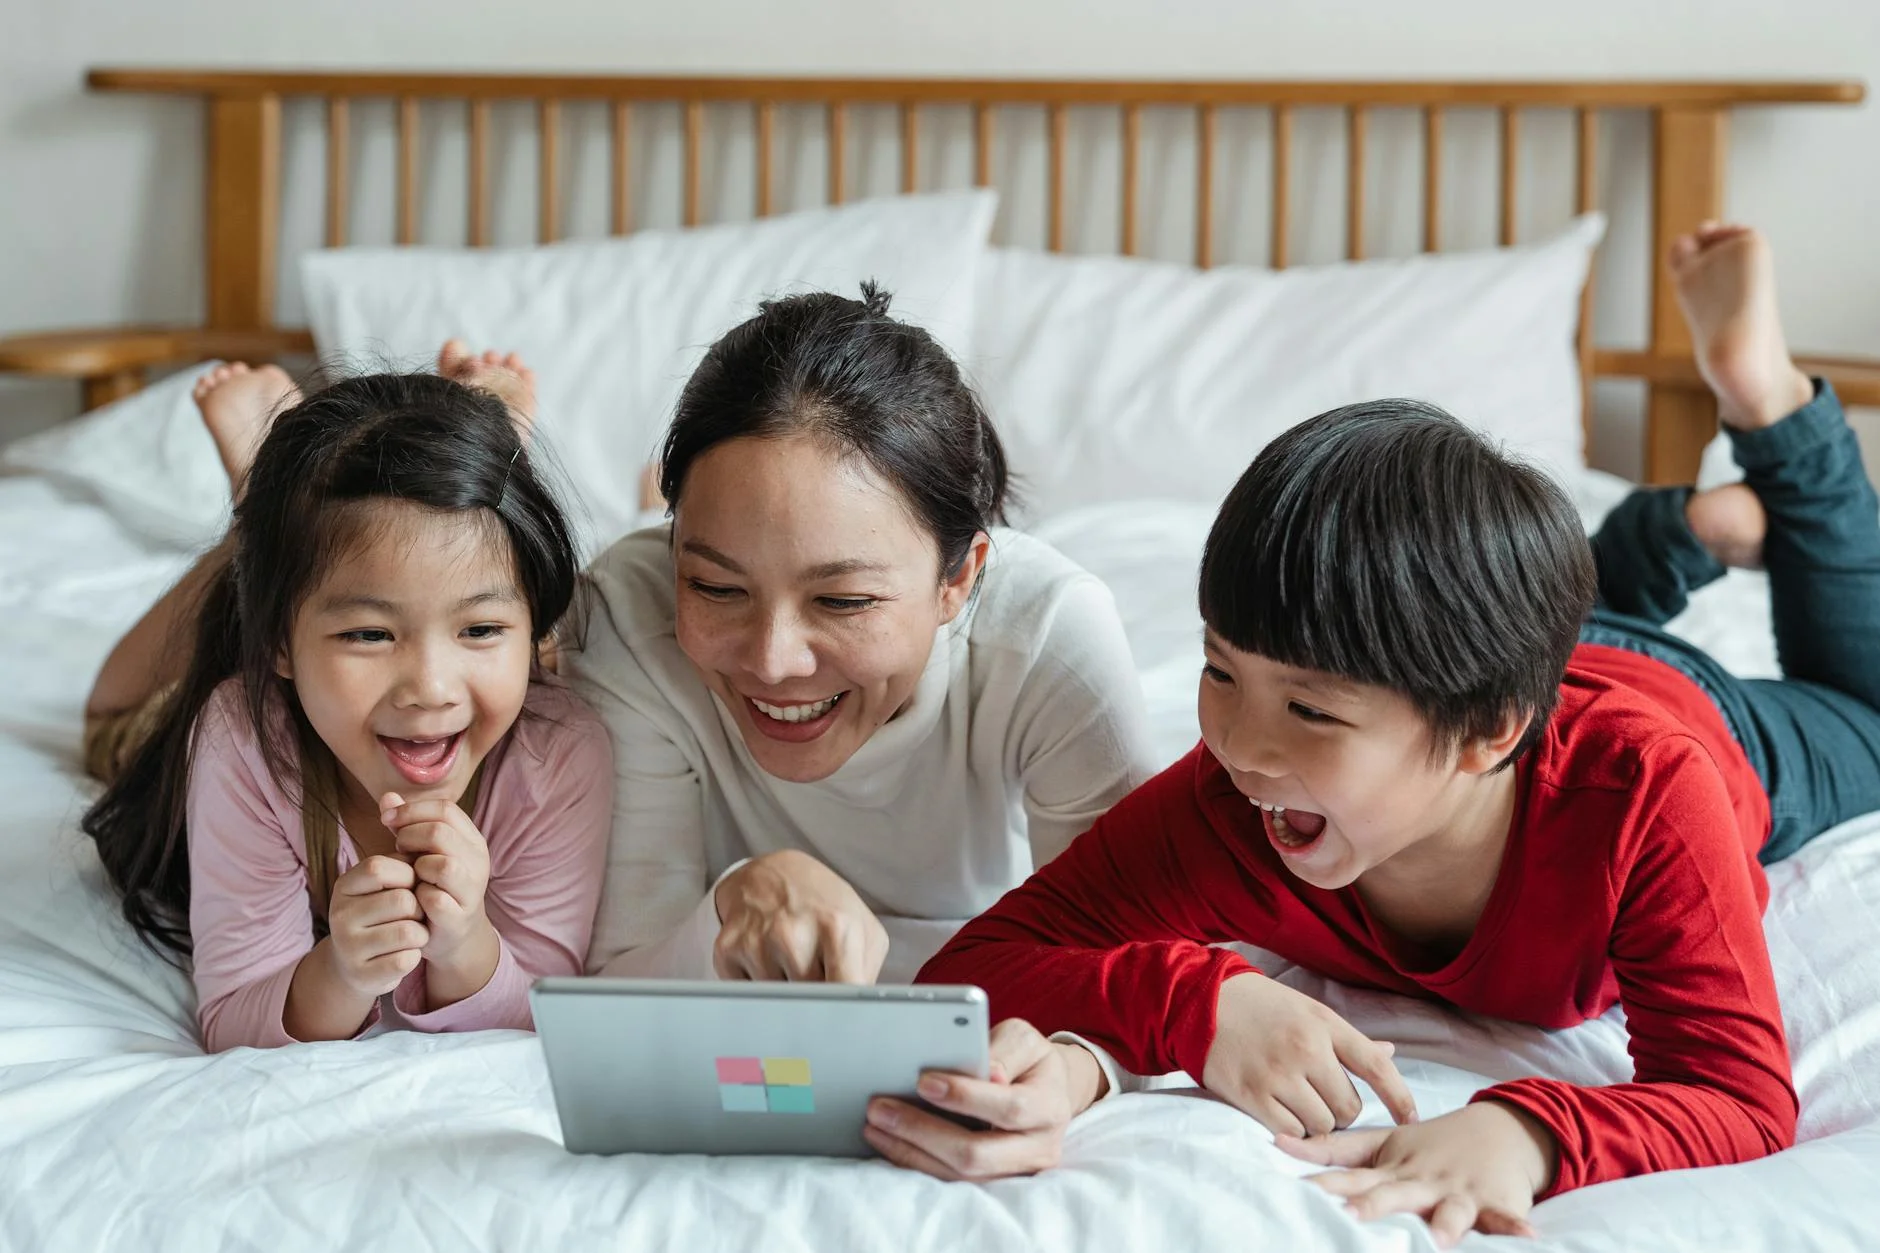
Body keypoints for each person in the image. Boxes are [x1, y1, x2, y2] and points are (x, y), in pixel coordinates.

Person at [892, 224, 1880, 1243]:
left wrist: (1526, 1132)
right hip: (1487, 667)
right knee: (1529, 616)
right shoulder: (1234, 797)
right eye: (1217, 670)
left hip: (1682, 700)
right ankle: (1658, 542)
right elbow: (981, 960)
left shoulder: (1646, 791)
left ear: (1483, 735)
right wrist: (1193, 1001)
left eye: (1308, 708)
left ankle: (1763, 409)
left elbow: (1736, 1092)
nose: (1238, 742)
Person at [566, 282, 1162, 997]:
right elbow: (611, 992)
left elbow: (1137, 972)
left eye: (843, 600)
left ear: (960, 579)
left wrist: (1069, 1065)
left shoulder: (1048, 641)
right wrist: (728, 906)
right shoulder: (631, 620)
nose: (773, 661)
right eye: (717, 587)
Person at [82, 348, 613, 1052]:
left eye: (481, 628)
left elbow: (547, 1010)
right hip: (275, 687)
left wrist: (466, 945)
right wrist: (338, 973)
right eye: (368, 633)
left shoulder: (561, 751)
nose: (428, 687)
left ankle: (451, 465)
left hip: (509, 673)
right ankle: (259, 516)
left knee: (488, 622)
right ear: (276, 641)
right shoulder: (241, 735)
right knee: (105, 722)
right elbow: (233, 1016)